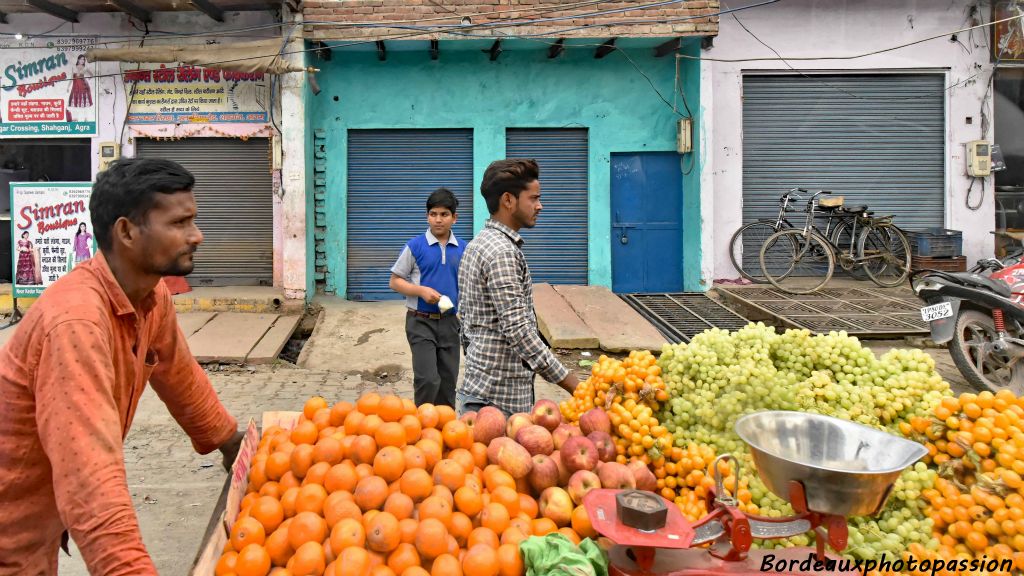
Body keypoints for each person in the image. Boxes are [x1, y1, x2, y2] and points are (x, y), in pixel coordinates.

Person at [0, 158, 244, 575]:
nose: (197, 236)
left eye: (194, 220)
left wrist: (231, 444)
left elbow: (180, 376)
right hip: (12, 525)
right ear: (127, 232)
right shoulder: (76, 323)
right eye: (180, 223)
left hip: (41, 516)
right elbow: (91, 483)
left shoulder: (149, 296)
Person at [457, 159, 578, 417]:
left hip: (481, 393)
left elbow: (466, 323)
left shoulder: (478, 244)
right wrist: (572, 384)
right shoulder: (501, 252)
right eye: (534, 198)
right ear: (508, 200)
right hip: (498, 403)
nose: (540, 206)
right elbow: (519, 331)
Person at [390, 187, 465, 408]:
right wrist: (421, 290)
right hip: (420, 321)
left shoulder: (463, 249)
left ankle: (444, 431)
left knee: (447, 381)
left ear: (454, 218)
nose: (438, 220)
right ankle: (421, 428)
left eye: (444, 214)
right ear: (427, 216)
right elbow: (395, 281)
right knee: (428, 379)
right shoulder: (415, 247)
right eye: (433, 214)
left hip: (450, 323)